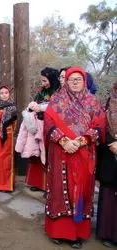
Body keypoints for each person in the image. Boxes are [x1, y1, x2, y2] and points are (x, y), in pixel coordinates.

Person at [44, 66, 105, 249]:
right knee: (59, 191)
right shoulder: (56, 100)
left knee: (80, 191)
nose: (76, 82)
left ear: (84, 81)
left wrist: (83, 140)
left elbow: (100, 126)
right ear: (66, 81)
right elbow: (48, 123)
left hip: (83, 154)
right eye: (72, 79)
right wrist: (63, 141)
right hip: (61, 153)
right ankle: (57, 231)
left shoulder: (92, 102)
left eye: (79, 79)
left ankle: (76, 234)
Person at [25, 67, 60, 192]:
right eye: (42, 80)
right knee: (38, 152)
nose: (43, 83)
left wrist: (42, 108)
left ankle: (49, 185)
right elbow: (35, 101)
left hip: (51, 127)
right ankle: (38, 183)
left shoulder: (59, 92)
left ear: (52, 79)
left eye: (45, 80)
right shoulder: (41, 91)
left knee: (48, 153)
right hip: (38, 124)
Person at [96, 81, 117, 248]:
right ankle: (107, 233)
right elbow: (101, 127)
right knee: (109, 193)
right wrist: (111, 143)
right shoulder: (108, 105)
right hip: (111, 153)